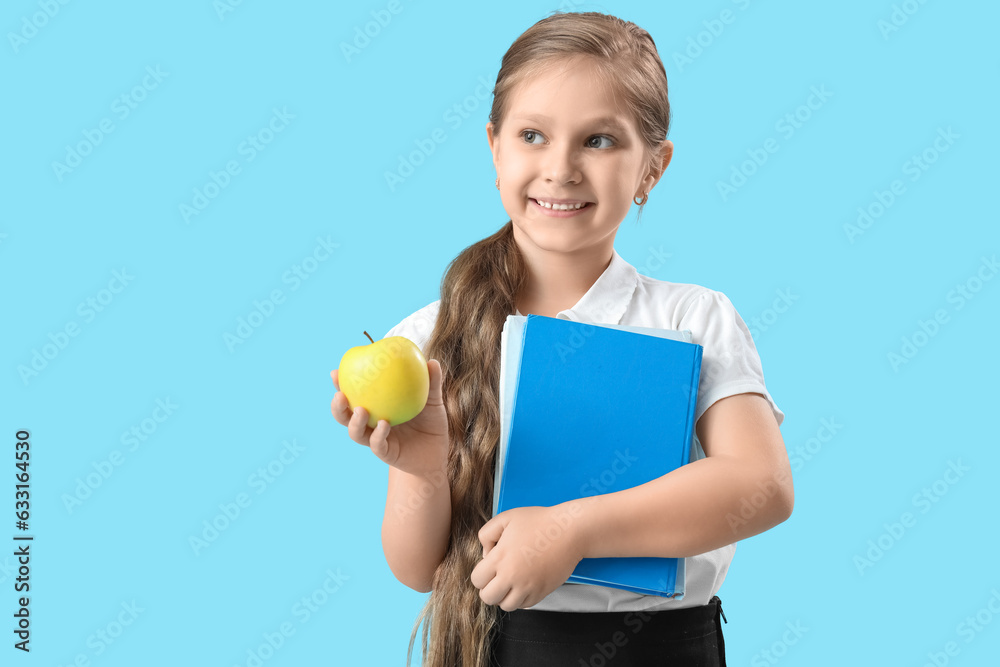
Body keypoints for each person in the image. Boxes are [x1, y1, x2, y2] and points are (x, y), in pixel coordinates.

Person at [330, 11, 793, 667]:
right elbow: (417, 567)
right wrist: (421, 467)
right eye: (533, 135)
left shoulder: (695, 317)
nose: (561, 168)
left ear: (652, 168)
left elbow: (763, 484)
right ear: (496, 150)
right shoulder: (427, 339)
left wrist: (574, 528)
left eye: (599, 140)